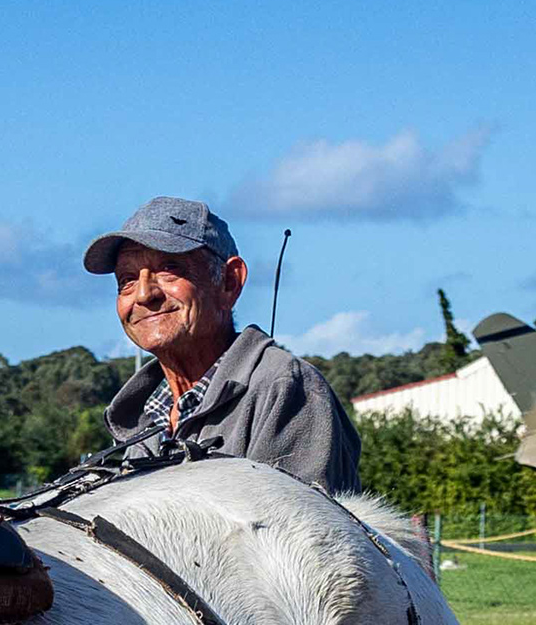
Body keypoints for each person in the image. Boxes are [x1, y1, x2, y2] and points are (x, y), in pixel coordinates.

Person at [85, 197, 359, 492]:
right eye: (126, 279)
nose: (143, 295)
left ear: (229, 281)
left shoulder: (284, 388)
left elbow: (299, 532)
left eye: (169, 268)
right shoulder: (143, 417)